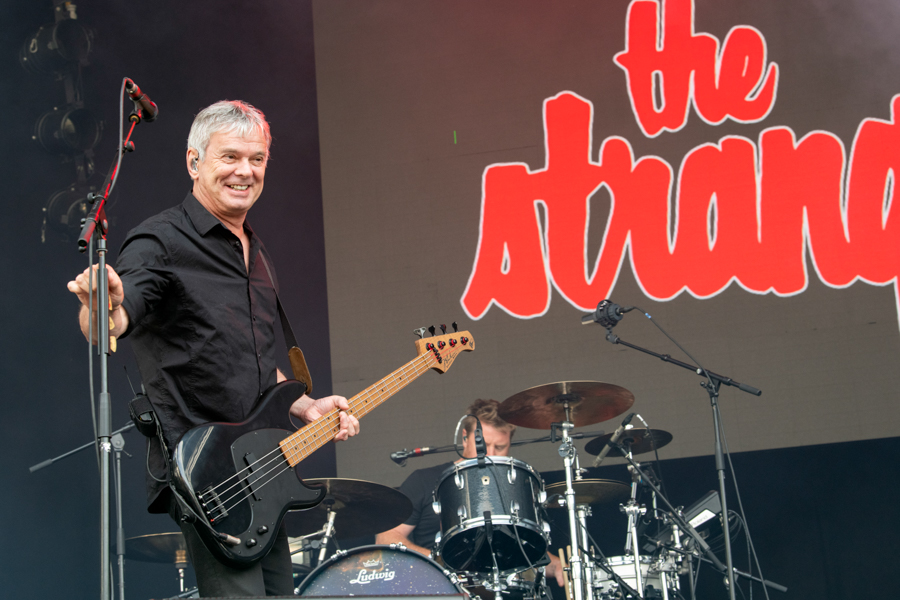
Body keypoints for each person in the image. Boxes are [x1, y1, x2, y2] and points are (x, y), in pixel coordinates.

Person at [67, 100, 360, 597]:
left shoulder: (256, 251)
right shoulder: (160, 240)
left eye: (257, 159)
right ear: (194, 162)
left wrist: (304, 405)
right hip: (207, 476)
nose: (245, 171)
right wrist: (101, 306)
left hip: (262, 471)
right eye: (230, 157)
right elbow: (111, 322)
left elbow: (249, 357)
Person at [376, 399, 565, 587]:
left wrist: (556, 564)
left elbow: (525, 551)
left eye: (500, 447)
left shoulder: (513, 487)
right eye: (483, 445)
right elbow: (386, 539)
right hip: (438, 587)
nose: (490, 454)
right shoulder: (423, 480)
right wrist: (439, 565)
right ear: (465, 437)